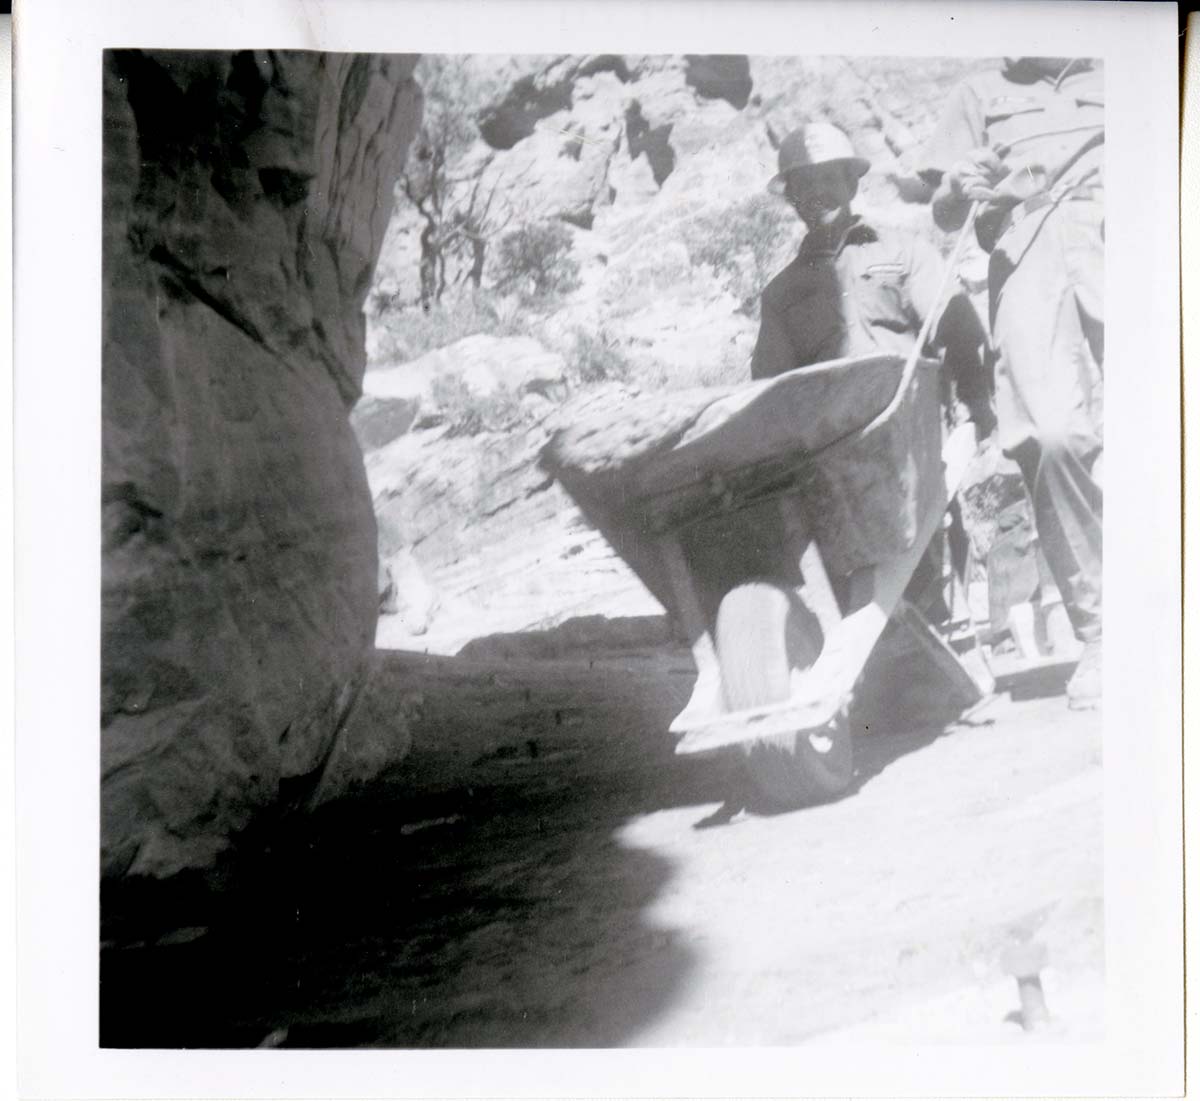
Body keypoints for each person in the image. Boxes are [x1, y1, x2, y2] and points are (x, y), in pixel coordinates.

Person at [919, 58, 1104, 708]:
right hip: (1024, 248)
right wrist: (958, 189)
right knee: (1050, 436)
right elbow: (942, 212)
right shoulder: (979, 90)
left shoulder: (1131, 57)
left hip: (1131, 228)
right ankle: (1102, 631)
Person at [751, 122, 990, 623]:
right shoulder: (781, 294)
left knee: (924, 562)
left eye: (828, 180)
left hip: (909, 434)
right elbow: (769, 390)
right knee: (853, 590)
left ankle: (942, 626)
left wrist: (975, 404)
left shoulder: (904, 251)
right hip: (832, 455)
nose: (817, 194)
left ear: (852, 183)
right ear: (792, 198)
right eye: (804, 185)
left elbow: (958, 327)